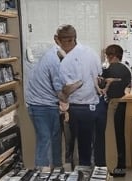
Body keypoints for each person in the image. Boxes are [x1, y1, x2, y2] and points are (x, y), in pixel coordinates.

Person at [55, 24, 103, 169]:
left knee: (74, 147)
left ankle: (78, 178)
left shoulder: (66, 62)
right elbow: (99, 76)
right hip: (94, 107)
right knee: (90, 145)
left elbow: (67, 91)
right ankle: (91, 177)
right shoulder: (91, 52)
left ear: (59, 40)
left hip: (76, 108)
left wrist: (62, 93)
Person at [25, 38, 64, 170]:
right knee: (46, 138)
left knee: (52, 139)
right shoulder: (53, 60)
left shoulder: (43, 60)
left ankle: (54, 170)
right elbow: (59, 87)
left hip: (44, 105)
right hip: (42, 106)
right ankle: (43, 172)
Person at [99, 44, 132, 177]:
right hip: (123, 105)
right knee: (120, 136)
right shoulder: (126, 70)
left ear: (110, 56)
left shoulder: (107, 70)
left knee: (111, 137)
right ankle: (121, 167)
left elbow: (101, 85)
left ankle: (111, 165)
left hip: (111, 105)